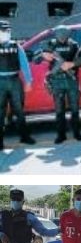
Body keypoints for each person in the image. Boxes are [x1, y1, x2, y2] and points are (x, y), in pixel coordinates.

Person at [37, 25, 81, 144]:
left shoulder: (74, 45)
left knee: (75, 108)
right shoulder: (50, 44)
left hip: (71, 79)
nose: (62, 39)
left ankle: (77, 132)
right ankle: (61, 134)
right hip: (57, 80)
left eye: (65, 36)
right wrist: (43, 55)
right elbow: (35, 59)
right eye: (60, 36)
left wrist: (72, 64)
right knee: (59, 109)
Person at [0, 20, 35, 150]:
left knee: (19, 110)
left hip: (15, 81)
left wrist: (28, 81)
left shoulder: (16, 46)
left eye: (7, 31)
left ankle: (24, 136)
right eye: (3, 31)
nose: (6, 33)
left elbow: (24, 64)